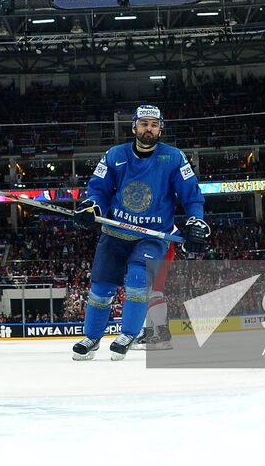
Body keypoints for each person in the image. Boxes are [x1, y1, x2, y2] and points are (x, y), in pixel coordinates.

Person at [71, 105, 207, 361]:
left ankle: (128, 334)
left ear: (160, 128)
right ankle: (91, 337)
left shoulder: (174, 158)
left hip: (153, 236)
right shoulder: (114, 155)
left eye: (154, 124)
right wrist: (91, 206)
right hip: (115, 232)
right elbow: (98, 189)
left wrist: (195, 223)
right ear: (134, 127)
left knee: (136, 279)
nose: (149, 128)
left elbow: (192, 197)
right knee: (101, 287)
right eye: (144, 124)